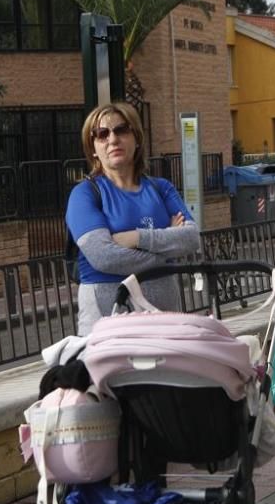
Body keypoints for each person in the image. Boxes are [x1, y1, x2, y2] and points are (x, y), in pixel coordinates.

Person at [66, 102, 200, 335]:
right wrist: (166, 254)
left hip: (164, 322)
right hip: (108, 324)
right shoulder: (84, 194)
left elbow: (190, 239)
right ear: (93, 148)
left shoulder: (162, 188)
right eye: (102, 134)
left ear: (137, 138)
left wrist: (135, 237)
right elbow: (104, 257)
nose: (113, 139)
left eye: (121, 130)